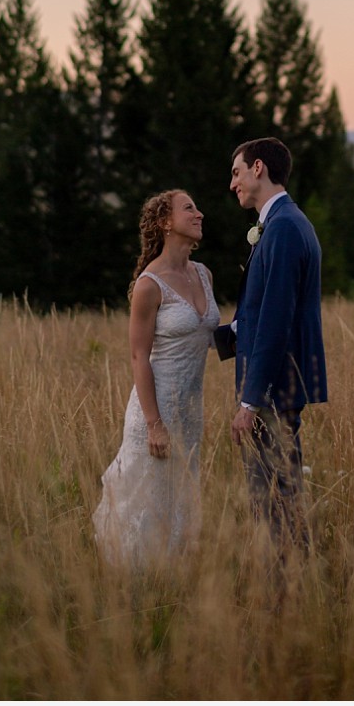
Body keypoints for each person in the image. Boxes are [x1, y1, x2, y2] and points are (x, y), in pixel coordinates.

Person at [93, 189, 220, 568]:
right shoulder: (150, 285)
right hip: (155, 413)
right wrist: (154, 425)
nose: (199, 214)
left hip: (190, 413)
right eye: (189, 208)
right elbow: (138, 357)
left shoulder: (204, 274)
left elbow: (206, 336)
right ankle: (135, 588)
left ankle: (175, 581)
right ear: (165, 222)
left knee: (180, 498)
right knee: (145, 503)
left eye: (197, 206)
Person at [220, 137, 327, 549]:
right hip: (276, 385)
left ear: (258, 168)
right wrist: (207, 337)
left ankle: (282, 591)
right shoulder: (285, 222)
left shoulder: (282, 228)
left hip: (273, 389)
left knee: (273, 498)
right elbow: (258, 315)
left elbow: (276, 321)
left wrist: (250, 401)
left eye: (237, 172)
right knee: (274, 494)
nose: (233, 184)